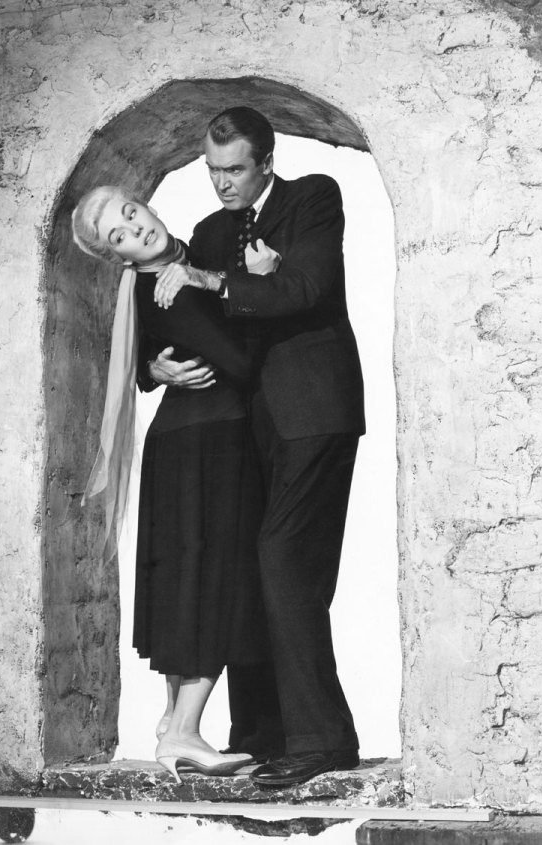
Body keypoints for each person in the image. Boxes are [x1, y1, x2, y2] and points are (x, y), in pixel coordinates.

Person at [149, 106, 366, 789]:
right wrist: (151, 366)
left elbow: (308, 288)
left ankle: (323, 740)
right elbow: (181, 313)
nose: (222, 183)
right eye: (212, 170)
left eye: (235, 169)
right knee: (249, 564)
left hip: (314, 411)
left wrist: (225, 280)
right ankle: (261, 737)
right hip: (244, 428)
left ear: (266, 163)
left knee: (285, 560)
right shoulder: (210, 232)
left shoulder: (313, 198)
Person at [72, 186, 280, 780]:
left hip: (186, 443)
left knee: (190, 580)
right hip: (209, 445)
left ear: (146, 206)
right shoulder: (172, 284)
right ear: (118, 255)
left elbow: (153, 350)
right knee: (216, 582)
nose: (135, 230)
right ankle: (185, 731)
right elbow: (241, 364)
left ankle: (173, 722)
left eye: (131, 214)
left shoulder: (172, 270)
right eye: (119, 236)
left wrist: (151, 368)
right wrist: (260, 283)